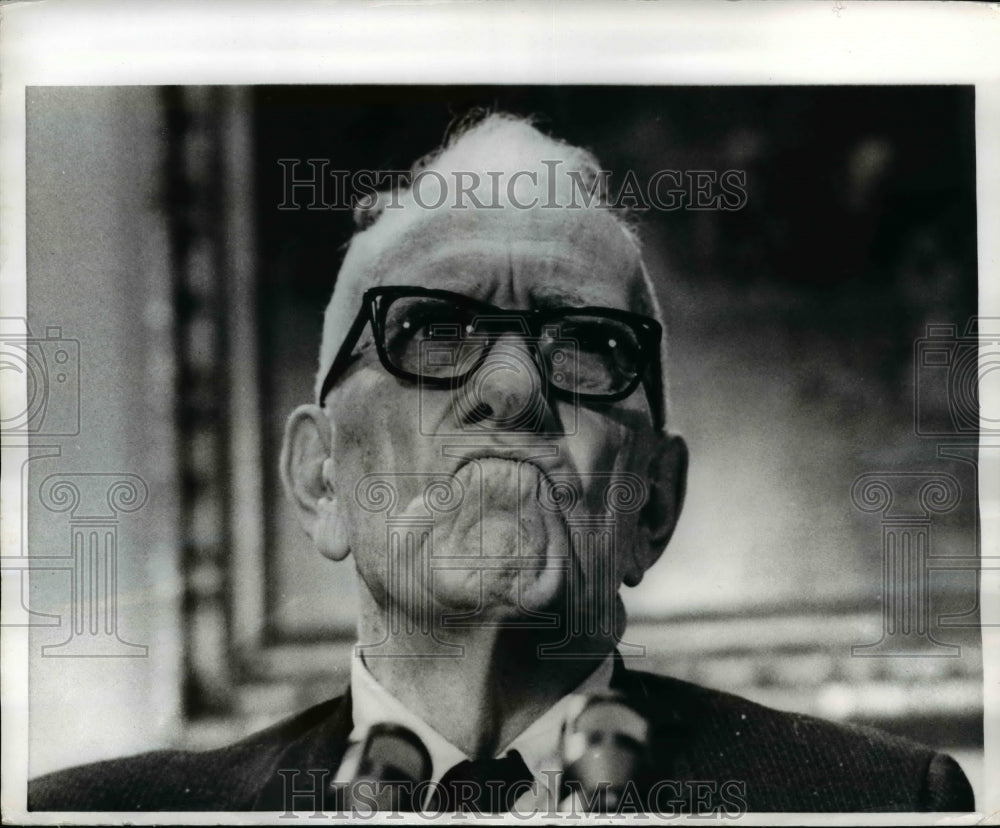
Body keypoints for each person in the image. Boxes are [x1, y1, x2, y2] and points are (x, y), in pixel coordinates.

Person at [28, 112, 974, 814]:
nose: (513, 390)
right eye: (434, 332)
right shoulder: (95, 818)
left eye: (587, 345)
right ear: (321, 479)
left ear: (652, 504)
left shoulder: (881, 805)